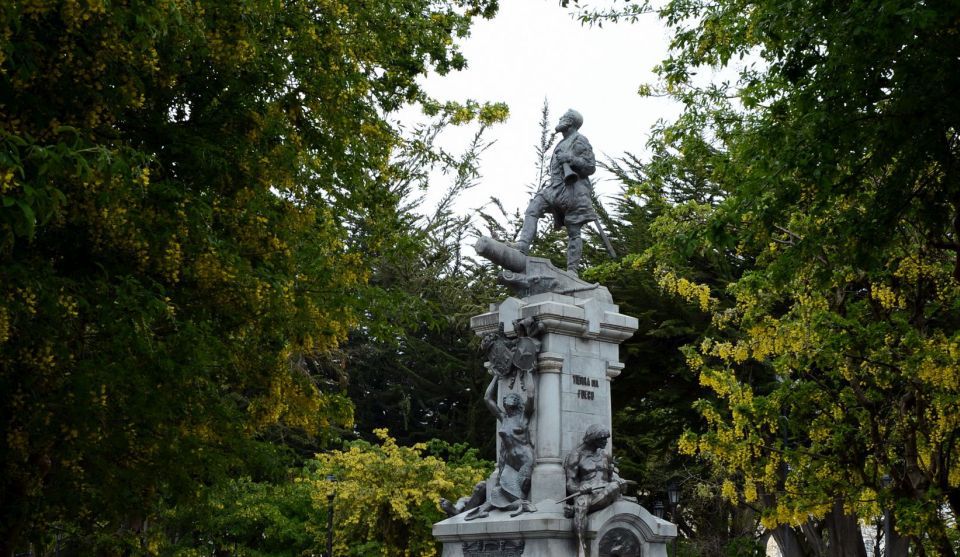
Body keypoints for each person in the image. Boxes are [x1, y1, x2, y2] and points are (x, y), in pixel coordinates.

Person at [514, 109, 597, 274]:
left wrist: (570, 159)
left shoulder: (579, 140)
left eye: (564, 117)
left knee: (574, 231)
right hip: (555, 188)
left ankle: (572, 271)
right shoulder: (562, 142)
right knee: (533, 209)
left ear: (570, 122)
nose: (560, 118)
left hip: (572, 191)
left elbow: (590, 166)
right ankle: (522, 246)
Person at [464, 375, 537, 520]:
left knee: (518, 492)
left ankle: (520, 505)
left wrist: (529, 373)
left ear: (517, 403)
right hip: (509, 462)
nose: (509, 398)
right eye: (508, 397)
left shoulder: (523, 417)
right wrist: (496, 376)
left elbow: (530, 396)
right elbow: (487, 398)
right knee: (501, 491)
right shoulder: (503, 418)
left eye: (513, 397)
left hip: (525, 460)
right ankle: (514, 506)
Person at [563, 425, 628, 557]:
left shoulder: (605, 455)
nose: (606, 442)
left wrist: (619, 479)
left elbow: (611, 476)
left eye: (606, 438)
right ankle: (581, 546)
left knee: (614, 486)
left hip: (606, 489)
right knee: (581, 505)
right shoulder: (576, 455)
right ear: (593, 439)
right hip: (587, 493)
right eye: (603, 439)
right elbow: (570, 482)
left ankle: (574, 510)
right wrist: (580, 488)